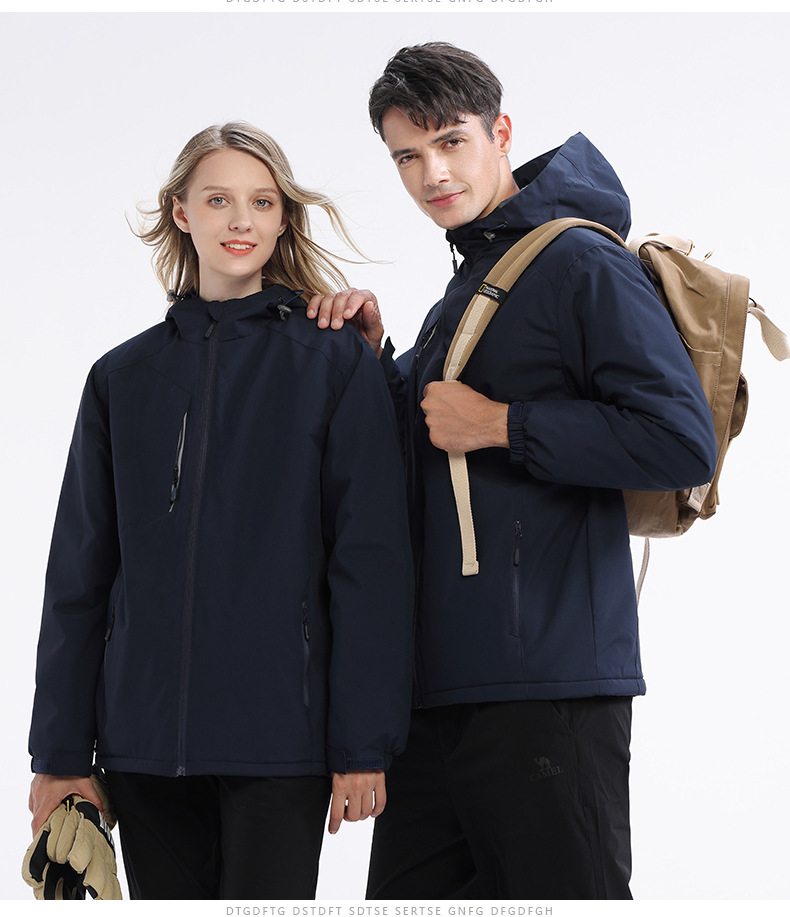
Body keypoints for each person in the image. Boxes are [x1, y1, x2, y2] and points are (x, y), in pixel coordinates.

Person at [307, 43, 718, 899]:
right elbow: (428, 441)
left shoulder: (578, 261)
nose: (432, 174)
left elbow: (681, 442)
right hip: (438, 690)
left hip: (546, 686)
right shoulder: (472, 280)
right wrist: (378, 360)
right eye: (407, 157)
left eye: (450, 142)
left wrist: (503, 424)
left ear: (500, 133)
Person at [27, 121, 414, 900]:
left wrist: (362, 742)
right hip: (141, 746)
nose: (241, 220)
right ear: (181, 211)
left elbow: (370, 561)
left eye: (262, 202)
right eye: (218, 200)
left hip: (280, 740)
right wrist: (59, 756)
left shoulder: (334, 361)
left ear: (282, 217)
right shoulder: (122, 376)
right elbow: (78, 576)